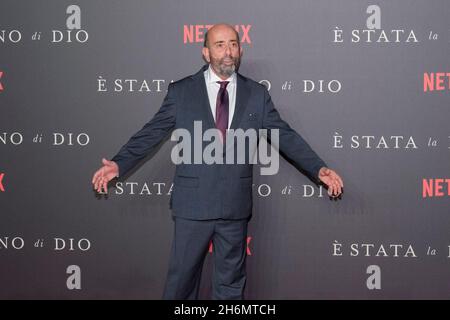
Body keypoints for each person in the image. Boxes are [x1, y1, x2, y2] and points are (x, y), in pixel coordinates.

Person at [91, 23, 344, 300]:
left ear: (241, 50)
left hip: (234, 208)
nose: (228, 51)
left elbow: (284, 135)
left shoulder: (256, 94)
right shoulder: (182, 92)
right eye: (220, 44)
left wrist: (318, 168)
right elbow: (151, 133)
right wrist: (119, 163)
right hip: (192, 206)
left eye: (233, 44)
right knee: (181, 286)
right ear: (205, 52)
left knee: (231, 288)